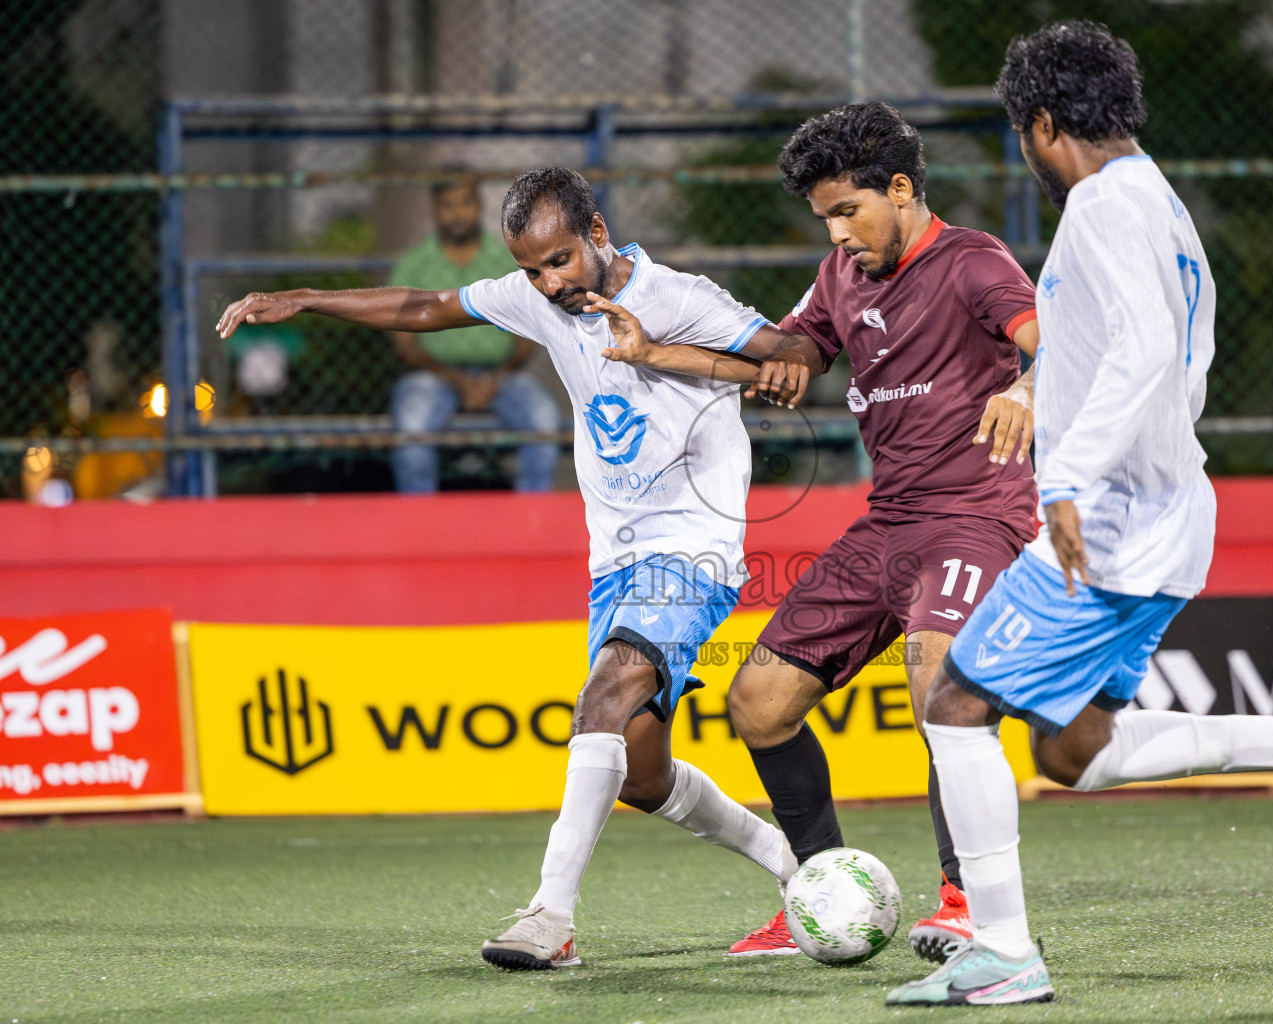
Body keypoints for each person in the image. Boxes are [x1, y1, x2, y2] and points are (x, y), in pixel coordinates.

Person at [887, 22, 1273, 1007]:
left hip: (1109, 523)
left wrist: (1067, 479)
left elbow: (1147, 350)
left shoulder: (1103, 205)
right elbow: (1167, 356)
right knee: (1072, 749)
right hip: (1163, 515)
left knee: (955, 701)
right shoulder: (1157, 197)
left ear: (1041, 125)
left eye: (1022, 135)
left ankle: (1003, 950)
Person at [217, 167, 825, 972]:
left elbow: (793, 351)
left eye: (560, 260)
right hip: (614, 560)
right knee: (642, 777)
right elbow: (426, 307)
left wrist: (760, 362)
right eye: (532, 269)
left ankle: (550, 918)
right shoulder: (540, 297)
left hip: (693, 549)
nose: (548, 283)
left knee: (602, 696)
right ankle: (796, 869)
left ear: (597, 233)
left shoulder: (680, 298)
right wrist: (306, 298)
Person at [717, 102, 1043, 962]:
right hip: (889, 523)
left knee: (940, 690)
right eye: (823, 218)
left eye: (846, 211)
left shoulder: (973, 260)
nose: (835, 234)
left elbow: (1056, 343)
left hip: (977, 516)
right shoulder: (842, 274)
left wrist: (1026, 387)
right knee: (757, 704)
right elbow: (798, 343)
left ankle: (968, 903)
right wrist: (753, 359)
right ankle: (820, 890)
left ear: (900, 189)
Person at [387, 170, 560, 493]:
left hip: (502, 376)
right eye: (447, 205)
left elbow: (528, 332)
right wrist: (457, 380)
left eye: (465, 202)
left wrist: (497, 377)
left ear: (479, 205)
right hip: (433, 377)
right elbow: (404, 345)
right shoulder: (413, 265)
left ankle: (532, 521)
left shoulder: (508, 261)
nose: (457, 213)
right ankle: (418, 523)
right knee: (411, 429)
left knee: (545, 420)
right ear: (434, 209)